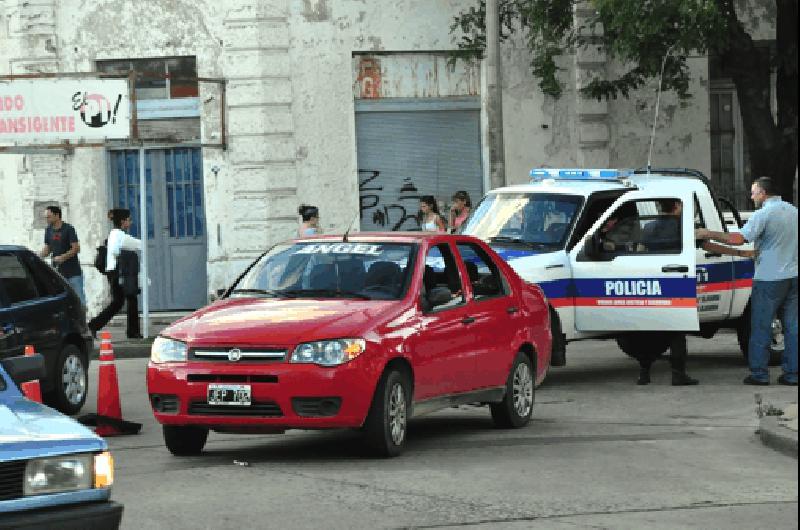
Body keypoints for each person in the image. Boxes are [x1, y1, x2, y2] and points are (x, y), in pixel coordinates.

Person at [695, 176, 797, 386]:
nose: (751, 196)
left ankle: (759, 374)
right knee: (793, 327)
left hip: (769, 278)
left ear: (763, 193)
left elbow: (739, 238)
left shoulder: (764, 214)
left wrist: (708, 233)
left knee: (760, 326)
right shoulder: (794, 211)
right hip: (793, 276)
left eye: (753, 192)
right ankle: (792, 374)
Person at [631, 199, 698, 385]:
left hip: (652, 280)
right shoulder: (682, 227)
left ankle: (644, 373)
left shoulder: (649, 227)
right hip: (675, 280)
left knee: (649, 331)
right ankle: (678, 374)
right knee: (677, 331)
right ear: (676, 206)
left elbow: (639, 252)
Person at [88, 209, 143, 339]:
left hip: (116, 273)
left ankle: (94, 326)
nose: (130, 222)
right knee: (129, 299)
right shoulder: (118, 235)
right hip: (119, 273)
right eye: (129, 219)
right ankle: (133, 332)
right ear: (123, 221)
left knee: (118, 303)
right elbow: (138, 244)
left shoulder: (116, 234)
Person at [39, 205, 85, 306]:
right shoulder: (48, 230)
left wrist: (62, 257)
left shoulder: (69, 229)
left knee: (79, 300)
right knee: (61, 302)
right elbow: (48, 248)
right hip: (57, 273)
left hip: (73, 273)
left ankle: (83, 321)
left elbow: (76, 248)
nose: (47, 219)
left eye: (49, 217)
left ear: (57, 215)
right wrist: (37, 257)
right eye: (46, 217)